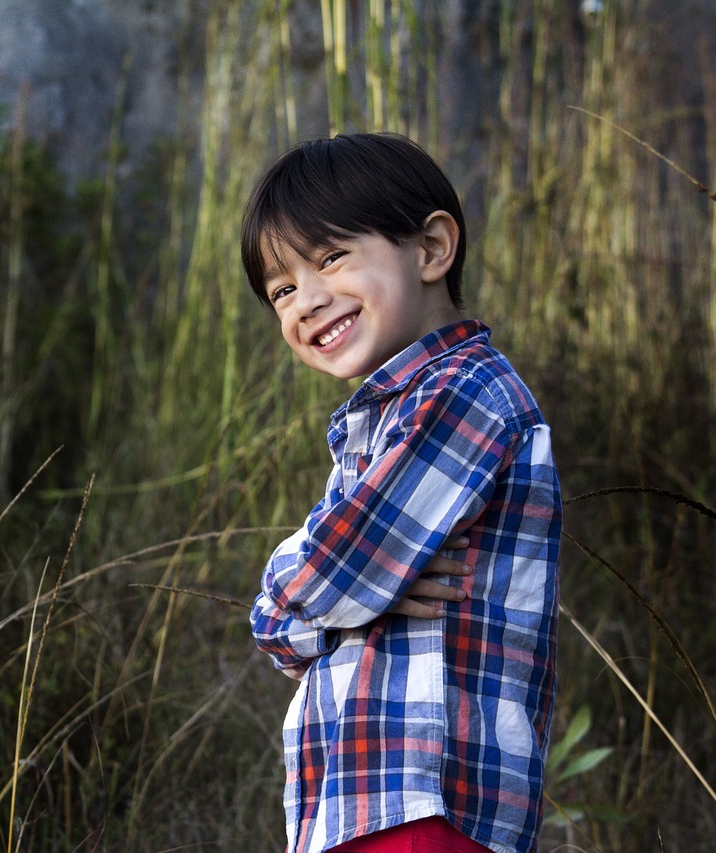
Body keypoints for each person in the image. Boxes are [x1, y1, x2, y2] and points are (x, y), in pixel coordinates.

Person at [243, 133, 561, 853]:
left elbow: (333, 567)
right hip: (367, 800)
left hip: (421, 803)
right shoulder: (388, 416)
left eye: (330, 258)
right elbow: (324, 595)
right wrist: (319, 614)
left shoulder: (462, 394)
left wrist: (290, 605)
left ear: (430, 249)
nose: (307, 301)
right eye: (282, 289)